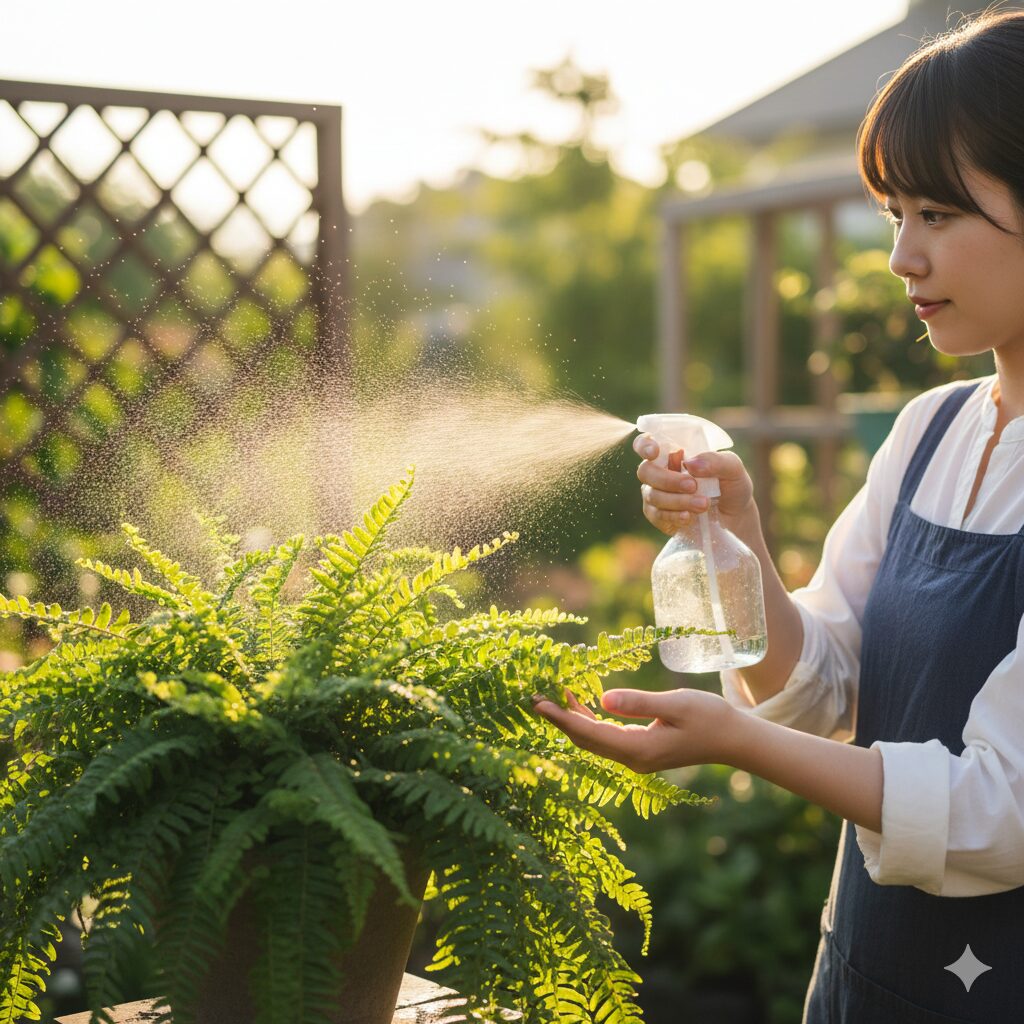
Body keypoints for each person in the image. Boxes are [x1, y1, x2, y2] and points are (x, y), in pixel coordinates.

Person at [531, 8, 1024, 1022]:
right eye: (894, 215)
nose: (900, 258)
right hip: (864, 975)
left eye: (936, 213)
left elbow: (999, 809)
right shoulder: (930, 431)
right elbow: (822, 692)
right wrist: (735, 533)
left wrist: (731, 740)